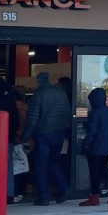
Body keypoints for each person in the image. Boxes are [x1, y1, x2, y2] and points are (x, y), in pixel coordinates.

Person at [23, 71, 72, 205]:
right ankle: (63, 188)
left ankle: (43, 197)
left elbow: (32, 120)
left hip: (43, 135)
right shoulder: (61, 94)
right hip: (59, 133)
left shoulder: (38, 96)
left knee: (40, 165)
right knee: (53, 162)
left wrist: (25, 136)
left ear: (38, 81)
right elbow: (67, 113)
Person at [80, 88, 108, 206]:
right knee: (104, 171)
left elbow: (92, 132)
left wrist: (86, 144)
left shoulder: (95, 113)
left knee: (94, 173)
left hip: (95, 148)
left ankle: (94, 197)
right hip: (107, 147)